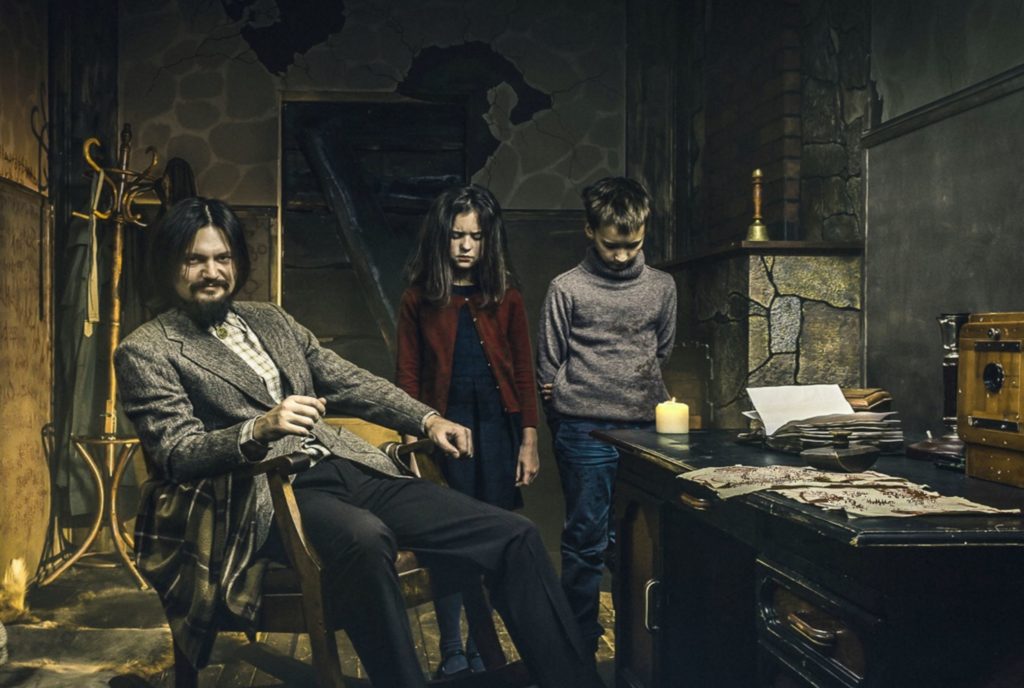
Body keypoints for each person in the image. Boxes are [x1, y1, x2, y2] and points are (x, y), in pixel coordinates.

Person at [115, 197, 601, 688]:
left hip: (347, 466)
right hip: (262, 494)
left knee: (512, 533)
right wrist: (257, 429)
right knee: (367, 538)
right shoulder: (147, 349)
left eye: (222, 258)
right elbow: (176, 453)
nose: (212, 272)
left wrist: (427, 418)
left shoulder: (270, 320)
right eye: (195, 260)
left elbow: (348, 381)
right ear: (170, 264)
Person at [396, 185, 540, 678]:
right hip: (444, 434)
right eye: (457, 235)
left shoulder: (507, 297)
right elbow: (407, 376)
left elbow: (524, 372)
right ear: (442, 237)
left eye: (475, 237)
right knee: (447, 542)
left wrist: (528, 440)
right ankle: (452, 648)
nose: (465, 246)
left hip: (496, 432)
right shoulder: (418, 298)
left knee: (491, 539)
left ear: (487, 240)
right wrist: (413, 444)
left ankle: (484, 648)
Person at [536, 177, 677, 660]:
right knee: (585, 539)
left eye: (631, 245)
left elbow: (662, 350)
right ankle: (577, 646)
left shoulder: (662, 286)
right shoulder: (566, 288)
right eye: (611, 245)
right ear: (590, 231)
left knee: (637, 542)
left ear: (644, 232)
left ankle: (636, 648)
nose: (620, 256)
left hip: (645, 431)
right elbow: (548, 362)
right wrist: (566, 407)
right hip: (583, 429)